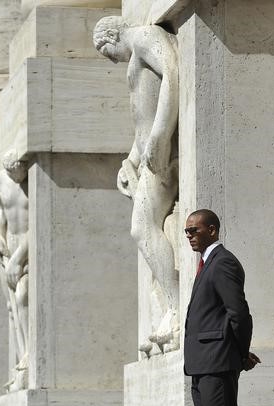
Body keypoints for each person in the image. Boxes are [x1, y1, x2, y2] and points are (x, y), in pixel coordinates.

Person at [93, 16, 180, 354]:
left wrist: (161, 134)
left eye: (106, 50)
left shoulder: (144, 36)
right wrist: (128, 161)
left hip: (159, 154)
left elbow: (172, 72)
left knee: (141, 229)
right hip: (145, 158)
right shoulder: (136, 52)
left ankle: (176, 309)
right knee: (144, 231)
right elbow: (140, 118)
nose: (111, 58)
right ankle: (170, 310)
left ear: (112, 34)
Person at [183, 209, 260, 406]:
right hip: (202, 364)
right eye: (187, 231)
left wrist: (241, 354)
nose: (189, 235)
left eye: (194, 230)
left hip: (217, 362)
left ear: (212, 230)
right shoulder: (206, 265)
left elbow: (239, 313)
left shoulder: (223, 262)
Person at [0, 151, 30, 391]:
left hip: (25, 250)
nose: (19, 176)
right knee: (11, 308)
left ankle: (28, 359)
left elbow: (36, 220)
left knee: (23, 296)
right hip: (9, 248)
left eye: (21, 171)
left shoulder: (33, 180)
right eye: (14, 172)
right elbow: (2, 215)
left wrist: (18, 258)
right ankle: (21, 361)